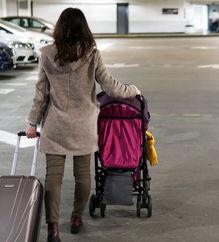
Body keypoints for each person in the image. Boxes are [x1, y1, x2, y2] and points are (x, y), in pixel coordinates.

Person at [25, 8, 141, 242]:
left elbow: (41, 94)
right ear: (83, 28)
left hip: (56, 125)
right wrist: (134, 91)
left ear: (59, 27)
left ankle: (53, 228)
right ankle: (77, 218)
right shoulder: (91, 54)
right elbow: (111, 87)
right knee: (83, 176)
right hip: (84, 126)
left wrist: (32, 122)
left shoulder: (47, 53)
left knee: (53, 178)